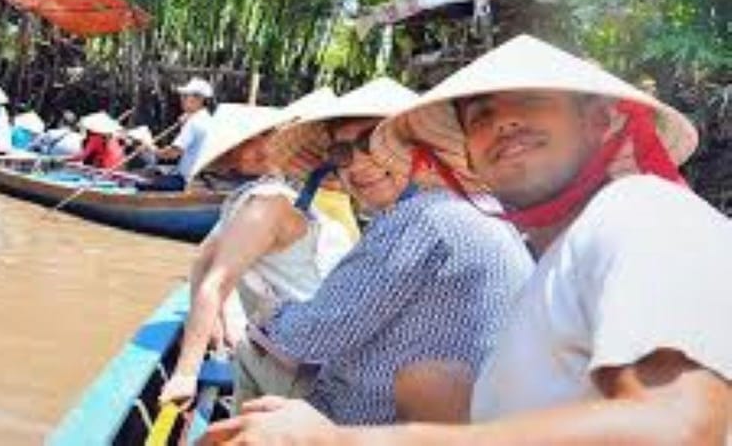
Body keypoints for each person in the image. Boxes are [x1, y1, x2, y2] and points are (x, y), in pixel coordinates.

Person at [206, 35, 732, 444]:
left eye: (530, 100)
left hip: (350, 416)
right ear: (466, 154)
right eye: (480, 116)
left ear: (598, 122)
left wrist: (341, 440)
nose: (503, 121)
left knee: (258, 374)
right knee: (428, 379)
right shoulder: (550, 260)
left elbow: (678, 430)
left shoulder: (641, 209)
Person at [225, 78, 532, 425]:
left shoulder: (419, 218)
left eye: (372, 141)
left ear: (418, 148)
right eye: (342, 154)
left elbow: (309, 338)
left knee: (251, 351)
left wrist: (268, 312)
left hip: (373, 422)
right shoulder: (482, 206)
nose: (356, 165)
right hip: (457, 416)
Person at [159, 99, 356, 407]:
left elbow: (203, 261)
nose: (259, 148)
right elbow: (213, 278)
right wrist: (186, 372)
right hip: (308, 370)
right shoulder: (265, 202)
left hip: (306, 354)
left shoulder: (268, 196)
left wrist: (218, 320)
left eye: (266, 136)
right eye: (246, 143)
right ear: (234, 157)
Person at [139, 77, 214, 191]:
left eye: (185, 96)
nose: (181, 100)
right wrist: (185, 123)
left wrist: (151, 149)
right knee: (153, 173)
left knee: (140, 184)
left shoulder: (194, 123)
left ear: (199, 99)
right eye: (182, 96)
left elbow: (172, 154)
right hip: (195, 176)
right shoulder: (207, 119)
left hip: (186, 180)